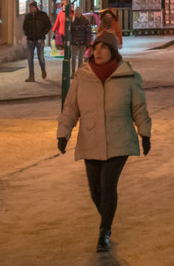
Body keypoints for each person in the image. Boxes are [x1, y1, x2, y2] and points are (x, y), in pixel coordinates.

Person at [56, 32, 151, 253]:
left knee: (108, 185)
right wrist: (63, 134)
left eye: (104, 48)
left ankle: (104, 230)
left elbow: (139, 108)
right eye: (95, 47)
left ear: (113, 52)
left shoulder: (129, 78)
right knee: (95, 189)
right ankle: (107, 217)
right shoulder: (82, 78)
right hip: (91, 139)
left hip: (120, 138)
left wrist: (145, 133)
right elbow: (71, 108)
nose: (98, 52)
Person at [23, 1, 51, 81]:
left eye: (32, 7)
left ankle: (43, 69)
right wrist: (27, 34)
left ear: (35, 7)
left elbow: (48, 25)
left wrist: (43, 33)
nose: (30, 9)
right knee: (30, 58)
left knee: (40, 57)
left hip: (40, 38)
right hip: (30, 39)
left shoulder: (42, 15)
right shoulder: (28, 17)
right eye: (29, 7)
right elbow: (24, 26)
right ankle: (31, 76)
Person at [69, 6, 94, 77]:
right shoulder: (72, 20)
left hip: (82, 42)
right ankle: (73, 72)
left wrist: (87, 42)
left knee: (80, 58)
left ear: (81, 13)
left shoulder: (85, 21)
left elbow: (88, 32)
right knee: (73, 58)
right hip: (74, 42)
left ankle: (79, 73)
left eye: (79, 13)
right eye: (77, 13)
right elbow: (70, 32)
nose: (78, 15)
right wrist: (70, 40)